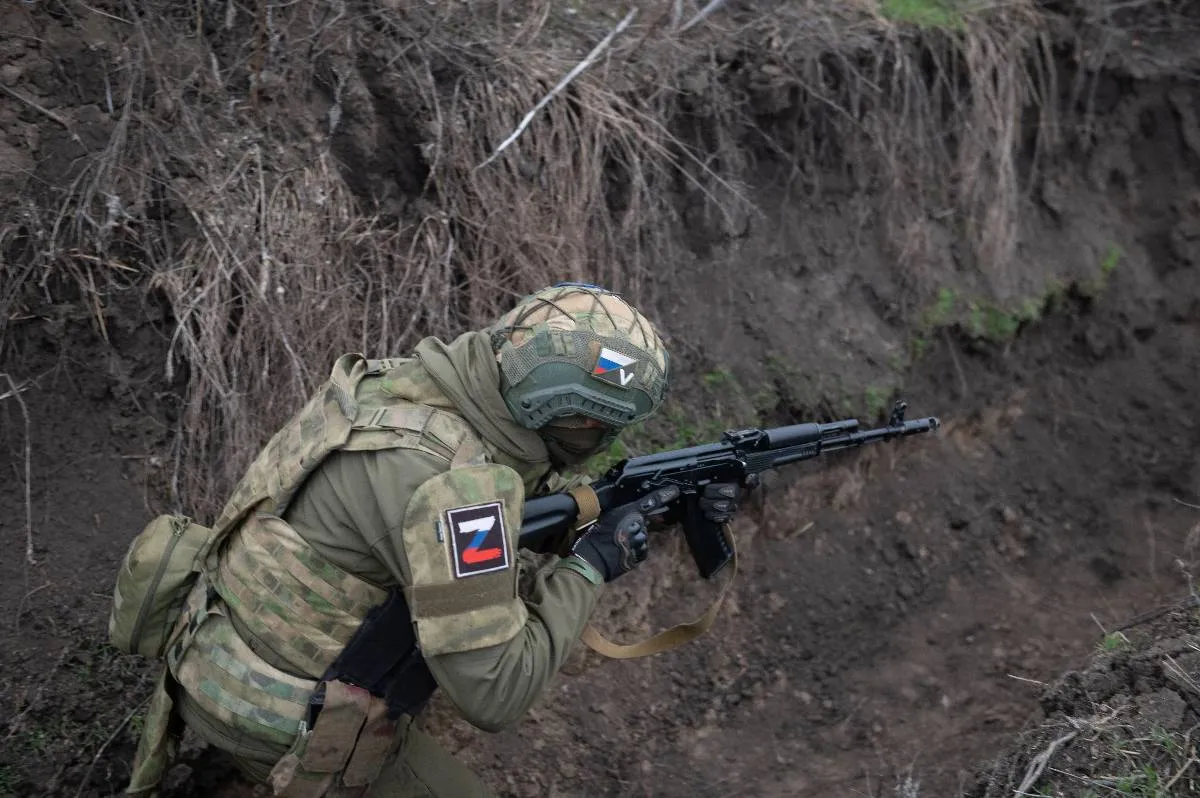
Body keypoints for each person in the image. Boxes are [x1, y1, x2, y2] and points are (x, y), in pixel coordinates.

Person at [127, 282, 741, 797]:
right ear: (572, 415)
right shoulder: (456, 486)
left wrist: (628, 511)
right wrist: (590, 565)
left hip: (209, 640)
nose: (607, 440)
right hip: (270, 709)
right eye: (604, 426)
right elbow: (496, 693)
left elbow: (459, 535)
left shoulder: (403, 391)